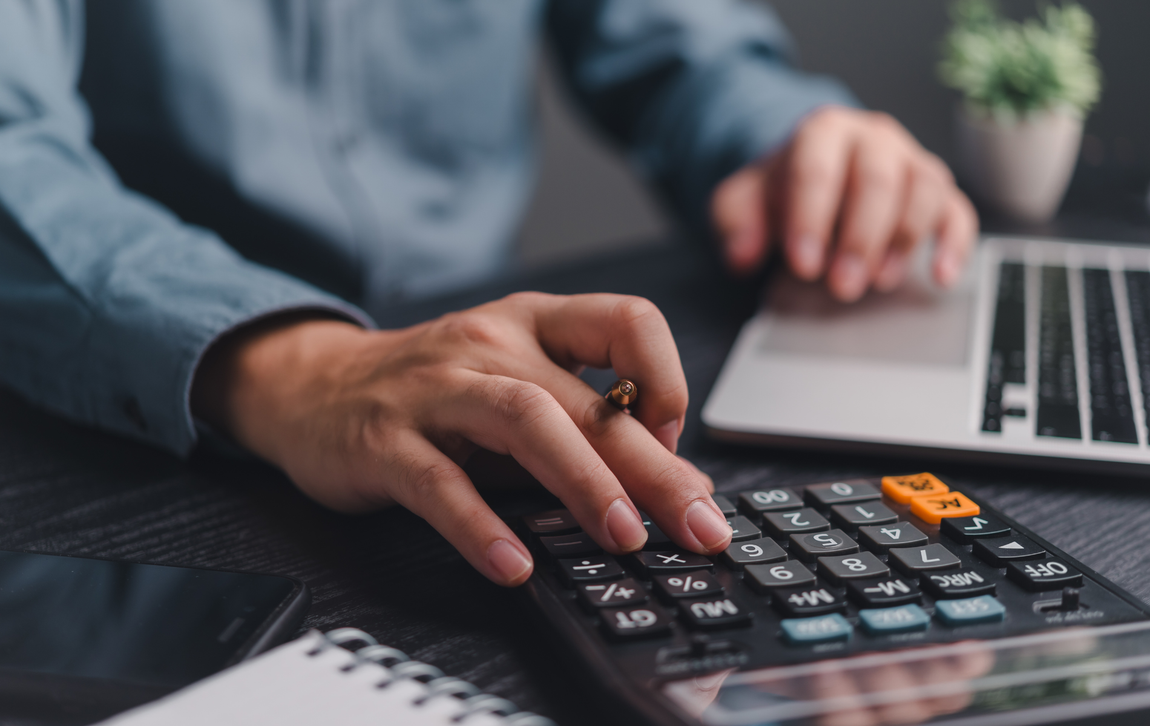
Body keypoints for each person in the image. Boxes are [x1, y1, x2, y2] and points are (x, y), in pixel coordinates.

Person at [0, 1, 976, 587]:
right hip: (115, 444)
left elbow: (687, 49)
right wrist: (298, 362)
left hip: (490, 413)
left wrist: (791, 143)